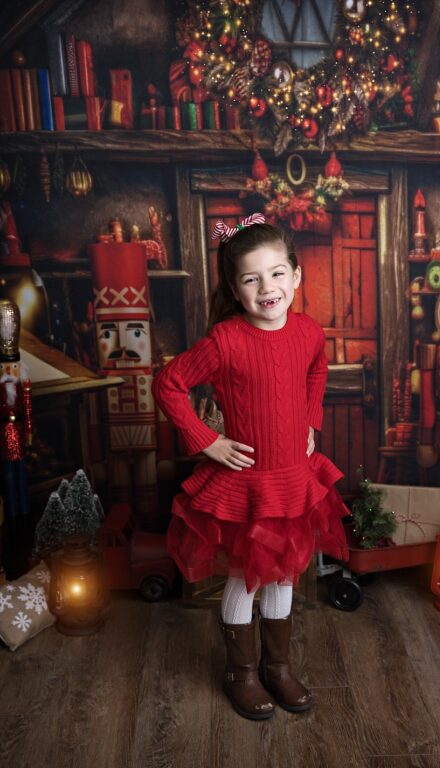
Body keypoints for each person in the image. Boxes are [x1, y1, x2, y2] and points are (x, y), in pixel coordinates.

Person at [154, 215, 349, 719]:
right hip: (247, 484)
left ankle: (276, 668)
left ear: (296, 276)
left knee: (284, 576)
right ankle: (240, 672)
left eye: (277, 273)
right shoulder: (226, 341)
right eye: (251, 279)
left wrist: (310, 419)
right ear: (235, 290)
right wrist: (206, 440)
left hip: (293, 479)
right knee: (246, 578)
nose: (268, 288)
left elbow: (317, 367)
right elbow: (168, 385)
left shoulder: (307, 331)